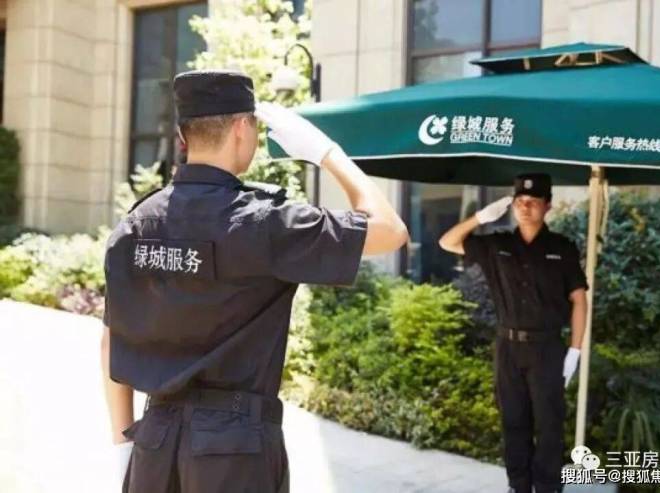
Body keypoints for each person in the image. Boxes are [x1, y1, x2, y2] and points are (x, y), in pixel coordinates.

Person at [100, 69, 408, 493]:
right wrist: (327, 152)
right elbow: (390, 231)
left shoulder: (135, 224)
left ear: (183, 135)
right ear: (243, 128)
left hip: (154, 444)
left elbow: (111, 342)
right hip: (235, 450)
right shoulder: (265, 222)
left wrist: (123, 448)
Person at [438, 173, 588, 493]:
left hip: (547, 348)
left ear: (547, 206)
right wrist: (480, 218)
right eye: (520, 201)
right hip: (508, 347)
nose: (525, 207)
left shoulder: (562, 249)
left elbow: (579, 300)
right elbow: (447, 242)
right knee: (513, 422)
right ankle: (518, 486)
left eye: (533, 202)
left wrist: (575, 351)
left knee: (549, 424)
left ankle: (547, 486)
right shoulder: (498, 245)